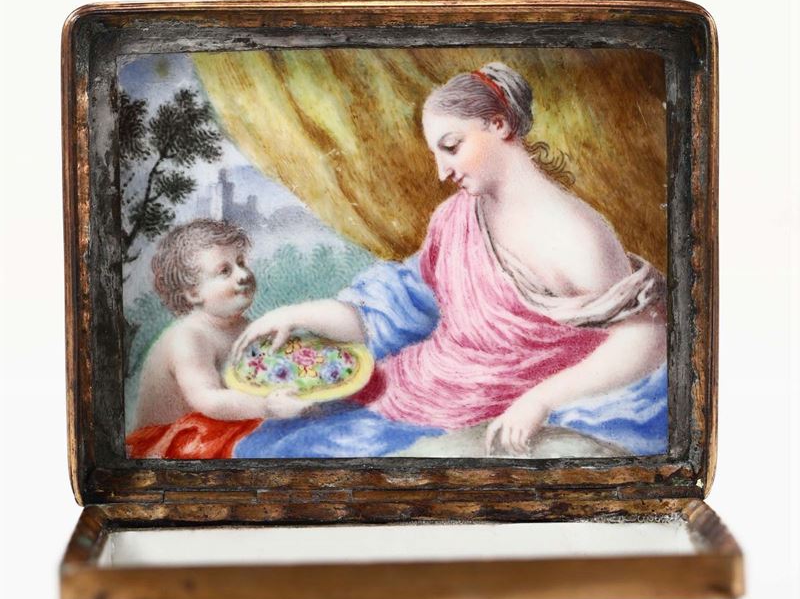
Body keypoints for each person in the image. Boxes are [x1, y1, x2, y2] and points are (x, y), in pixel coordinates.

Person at [232, 62, 667, 457]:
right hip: (417, 388)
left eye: (452, 146)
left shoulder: (577, 235)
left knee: (299, 457)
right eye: (436, 153)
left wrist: (539, 401)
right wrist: (296, 314)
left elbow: (644, 339)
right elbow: (401, 306)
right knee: (272, 444)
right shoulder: (455, 216)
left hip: (485, 415)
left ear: (499, 125)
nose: (442, 171)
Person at [127, 219, 307, 458]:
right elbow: (209, 400)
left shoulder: (244, 325)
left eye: (241, 262)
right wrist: (268, 406)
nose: (243, 274)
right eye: (225, 271)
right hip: (171, 441)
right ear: (194, 293)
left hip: (220, 423)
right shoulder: (188, 337)